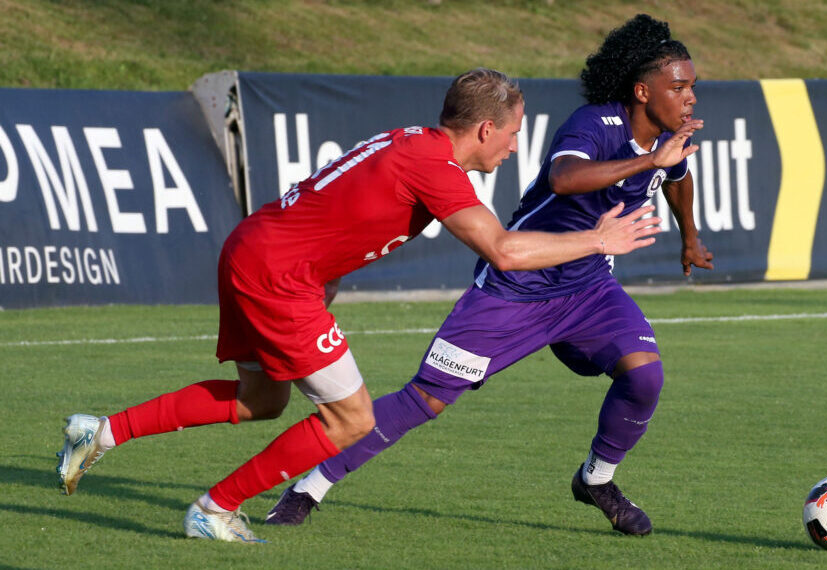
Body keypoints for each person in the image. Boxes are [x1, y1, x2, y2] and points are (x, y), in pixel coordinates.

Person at [54, 68, 665, 544]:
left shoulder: (410, 141)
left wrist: (326, 282)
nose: (513, 146)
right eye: (513, 134)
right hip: (278, 276)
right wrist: (597, 240)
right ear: (485, 130)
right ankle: (215, 509)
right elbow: (502, 251)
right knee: (352, 419)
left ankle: (101, 431)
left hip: (254, 250)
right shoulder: (436, 168)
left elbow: (340, 212)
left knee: (259, 401)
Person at [269, 14, 713, 536]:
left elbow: (676, 176)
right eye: (678, 86)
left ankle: (597, 480)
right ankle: (309, 487)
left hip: (589, 286)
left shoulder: (668, 139)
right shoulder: (596, 123)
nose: (690, 98)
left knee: (645, 375)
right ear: (643, 91)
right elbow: (564, 178)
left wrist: (689, 235)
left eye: (692, 87)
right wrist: (644, 165)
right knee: (426, 399)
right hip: (516, 286)